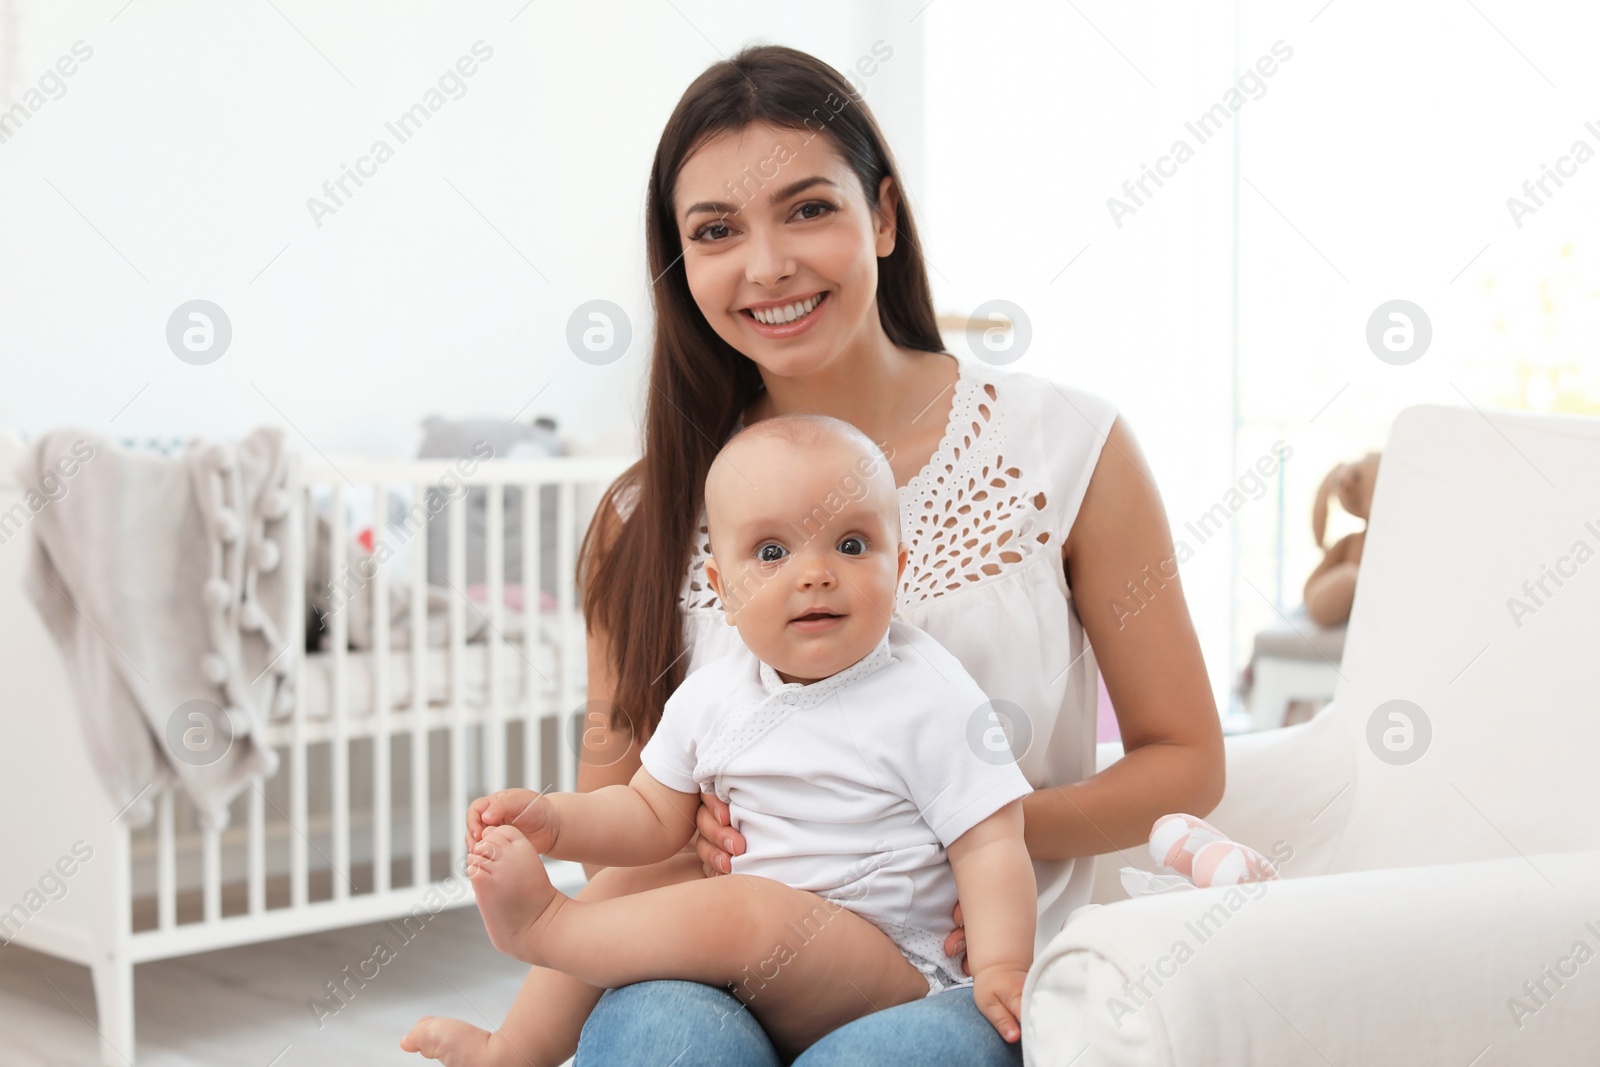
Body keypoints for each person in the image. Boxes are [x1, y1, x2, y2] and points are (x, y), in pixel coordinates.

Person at [405, 42, 1223, 1066]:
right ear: (680, 262)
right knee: (660, 1038)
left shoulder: (1066, 446)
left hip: (970, 969)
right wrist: (526, 1025)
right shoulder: (641, 517)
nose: (766, 265)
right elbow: (635, 825)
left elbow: (1184, 758)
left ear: (880, 215)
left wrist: (956, 831)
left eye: (806, 209)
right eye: (714, 231)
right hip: (713, 966)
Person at [415, 414, 1035, 1065]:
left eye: (852, 545)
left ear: (900, 565)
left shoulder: (929, 692)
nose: (816, 572)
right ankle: (511, 1050)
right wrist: (555, 820)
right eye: (772, 552)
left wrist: (1002, 962)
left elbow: (992, 839)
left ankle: (548, 927)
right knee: (637, 881)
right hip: (746, 971)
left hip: (888, 968)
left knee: (749, 909)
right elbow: (647, 813)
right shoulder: (716, 694)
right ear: (722, 590)